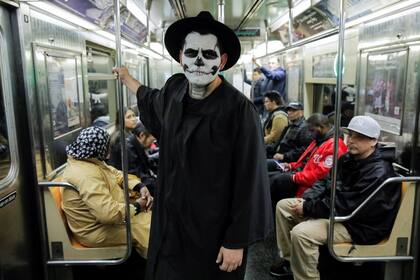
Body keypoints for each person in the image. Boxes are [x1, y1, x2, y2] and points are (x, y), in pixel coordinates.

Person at [113, 11, 272, 280]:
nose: (198, 62)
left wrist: (236, 241)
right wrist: (127, 78)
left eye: (208, 55)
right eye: (191, 53)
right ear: (180, 57)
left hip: (213, 230)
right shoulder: (175, 90)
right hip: (171, 223)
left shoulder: (239, 111)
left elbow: (250, 178)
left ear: (221, 61)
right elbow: (150, 100)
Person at [270, 116, 401, 280]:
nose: (352, 140)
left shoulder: (378, 172)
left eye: (359, 137)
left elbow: (348, 205)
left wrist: (309, 207)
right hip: (343, 214)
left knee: (302, 233)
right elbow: (326, 181)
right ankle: (291, 261)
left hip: (359, 226)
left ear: (373, 141)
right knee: (284, 206)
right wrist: (307, 199)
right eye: (351, 135)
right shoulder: (348, 159)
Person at [61, 126, 153, 258]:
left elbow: (115, 174)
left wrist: (139, 186)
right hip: (94, 230)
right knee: (146, 228)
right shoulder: (85, 175)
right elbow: (108, 214)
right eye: (106, 147)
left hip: (102, 221)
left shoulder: (88, 159)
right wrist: (137, 206)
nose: (108, 152)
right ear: (97, 149)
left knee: (150, 218)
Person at [269, 113, 347, 210]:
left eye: (312, 130)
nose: (310, 134)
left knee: (275, 181)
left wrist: (294, 177)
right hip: (301, 175)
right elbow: (307, 162)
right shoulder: (318, 140)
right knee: (271, 177)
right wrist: (291, 166)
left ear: (321, 127)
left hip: (309, 185)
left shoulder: (335, 146)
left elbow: (319, 176)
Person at [127, 122, 158, 195]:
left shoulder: (137, 145)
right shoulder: (129, 150)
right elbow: (138, 176)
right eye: (152, 139)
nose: (153, 142)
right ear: (142, 135)